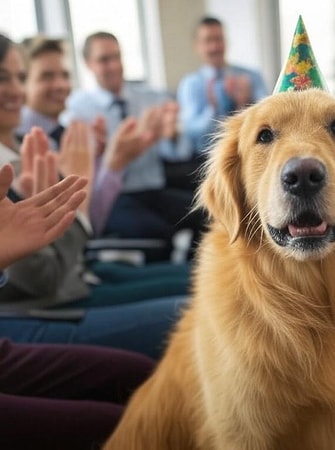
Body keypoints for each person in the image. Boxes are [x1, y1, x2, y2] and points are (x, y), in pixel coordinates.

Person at [0, 33, 187, 359]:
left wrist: (107, 164)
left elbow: (80, 235)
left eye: (63, 75)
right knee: (201, 306)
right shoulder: (22, 154)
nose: (59, 85)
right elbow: (47, 274)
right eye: (45, 76)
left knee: (204, 277)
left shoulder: (27, 143)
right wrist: (99, 174)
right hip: (57, 300)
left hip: (79, 276)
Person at [0, 164, 157, 450]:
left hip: (81, 282)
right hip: (54, 305)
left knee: (138, 374)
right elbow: (47, 278)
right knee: (130, 424)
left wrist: (106, 171)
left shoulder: (25, 153)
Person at [61, 31, 202, 244]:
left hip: (154, 189)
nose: (114, 65)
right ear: (88, 64)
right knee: (155, 232)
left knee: (208, 213)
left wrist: (171, 134)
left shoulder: (151, 98)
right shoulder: (77, 110)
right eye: (104, 60)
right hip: (115, 199)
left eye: (117, 57)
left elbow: (179, 153)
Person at [176, 16, 268, 179]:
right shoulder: (191, 84)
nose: (214, 47)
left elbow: (270, 116)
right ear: (197, 46)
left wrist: (245, 104)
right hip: (206, 164)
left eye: (218, 39)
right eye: (208, 41)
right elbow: (190, 132)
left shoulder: (251, 77)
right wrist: (211, 109)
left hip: (251, 157)